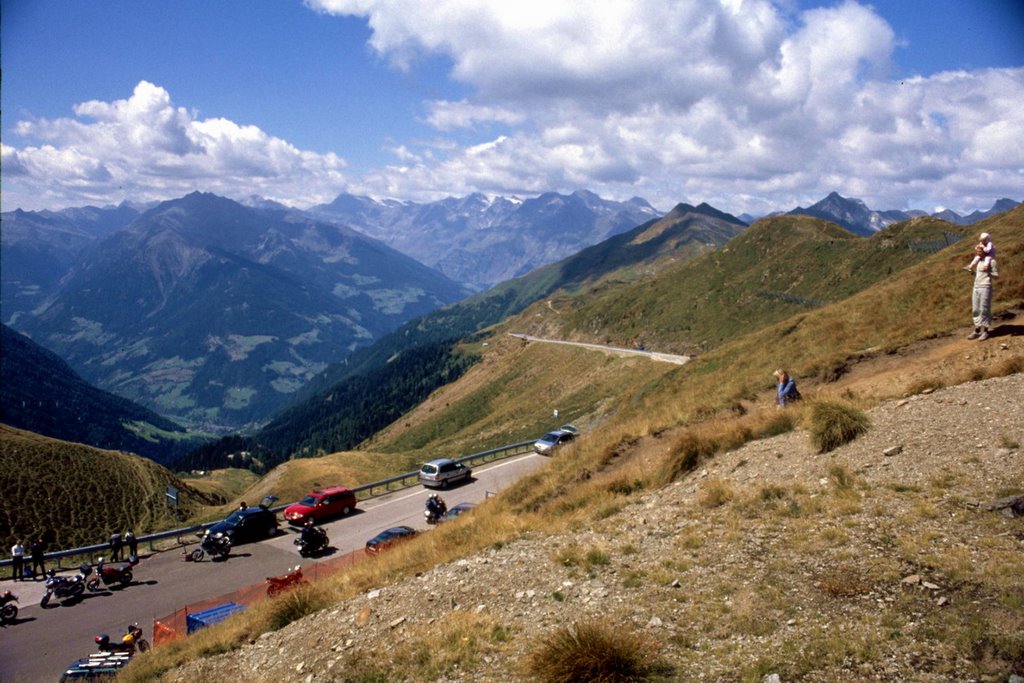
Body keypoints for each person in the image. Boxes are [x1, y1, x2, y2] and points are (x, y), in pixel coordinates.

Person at [967, 245, 999, 341]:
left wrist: (989, 270)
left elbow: (996, 275)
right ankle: (977, 330)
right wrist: (972, 272)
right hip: (976, 287)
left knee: (984, 309)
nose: (978, 254)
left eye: (979, 252)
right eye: (977, 252)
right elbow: (979, 274)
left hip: (986, 287)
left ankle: (985, 331)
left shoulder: (991, 262)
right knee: (975, 309)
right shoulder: (978, 261)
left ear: (985, 251)